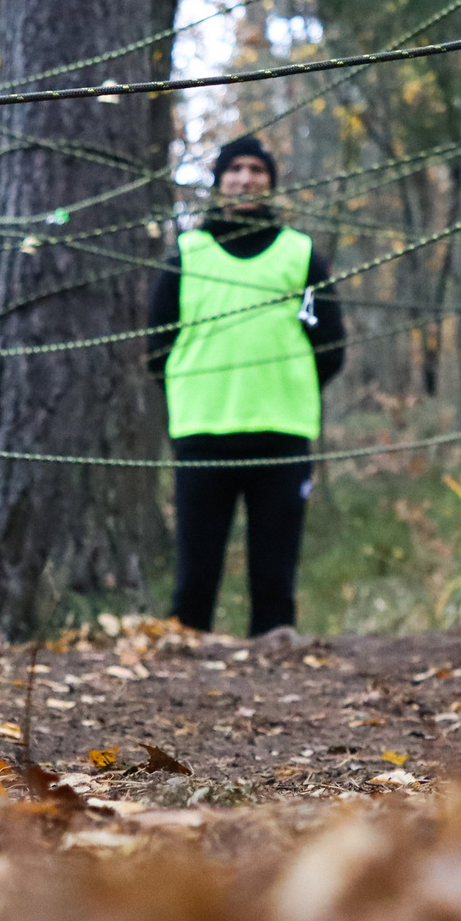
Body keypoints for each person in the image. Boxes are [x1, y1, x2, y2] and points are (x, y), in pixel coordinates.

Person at [148, 135, 344, 635]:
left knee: (275, 575)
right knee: (195, 574)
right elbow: (155, 347)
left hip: (282, 429)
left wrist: (287, 382)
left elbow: (332, 346)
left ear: (271, 182)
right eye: (234, 169)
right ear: (218, 184)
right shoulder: (185, 254)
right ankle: (180, 664)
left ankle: (277, 679)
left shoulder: (301, 255)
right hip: (202, 430)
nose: (245, 177)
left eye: (257, 169)